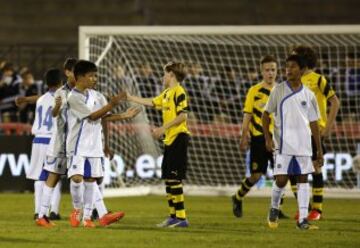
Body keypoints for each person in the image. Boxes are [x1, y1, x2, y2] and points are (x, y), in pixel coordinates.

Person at [262, 54, 323, 230]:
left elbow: (314, 124)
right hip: (283, 144)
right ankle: (274, 208)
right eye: (287, 66)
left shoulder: (309, 95)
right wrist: (267, 138)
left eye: (293, 66)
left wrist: (318, 150)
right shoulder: (279, 90)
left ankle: (302, 220)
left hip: (303, 145)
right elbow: (265, 115)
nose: (289, 70)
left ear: (302, 70)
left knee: (303, 179)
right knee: (281, 180)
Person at [127, 61, 190, 228]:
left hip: (179, 138)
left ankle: (182, 218)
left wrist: (162, 128)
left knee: (174, 178)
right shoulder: (168, 93)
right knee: (169, 178)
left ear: (171, 75)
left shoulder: (179, 92)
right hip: (170, 139)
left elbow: (183, 116)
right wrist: (130, 97)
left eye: (165, 74)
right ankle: (173, 216)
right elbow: (151, 102)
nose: (163, 77)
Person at [66, 60, 128, 228]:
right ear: (79, 77)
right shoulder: (73, 97)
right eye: (91, 76)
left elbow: (104, 117)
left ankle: (87, 218)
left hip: (94, 146)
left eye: (96, 76)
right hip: (77, 146)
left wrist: (123, 116)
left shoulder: (98, 96)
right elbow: (92, 116)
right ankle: (76, 209)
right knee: (77, 179)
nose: (95, 79)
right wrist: (112, 103)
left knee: (91, 181)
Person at [232, 55, 288, 218]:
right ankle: (237, 197)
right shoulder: (254, 91)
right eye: (267, 70)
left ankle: (276, 209)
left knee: (281, 175)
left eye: (273, 70)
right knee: (256, 176)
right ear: (261, 71)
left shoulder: (282, 91)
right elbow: (247, 114)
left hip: (277, 139)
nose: (270, 73)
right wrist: (244, 136)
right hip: (258, 138)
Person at [288, 46, 340, 220]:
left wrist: (328, 126)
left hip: (313, 131)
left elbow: (335, 102)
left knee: (316, 168)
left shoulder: (318, 80)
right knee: (293, 172)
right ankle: (304, 208)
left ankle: (317, 210)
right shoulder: (291, 81)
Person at [27, 68, 62, 223]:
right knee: (54, 176)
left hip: (38, 140)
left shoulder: (41, 99)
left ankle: (37, 211)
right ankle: (53, 210)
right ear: (61, 83)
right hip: (52, 140)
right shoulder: (61, 97)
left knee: (39, 178)